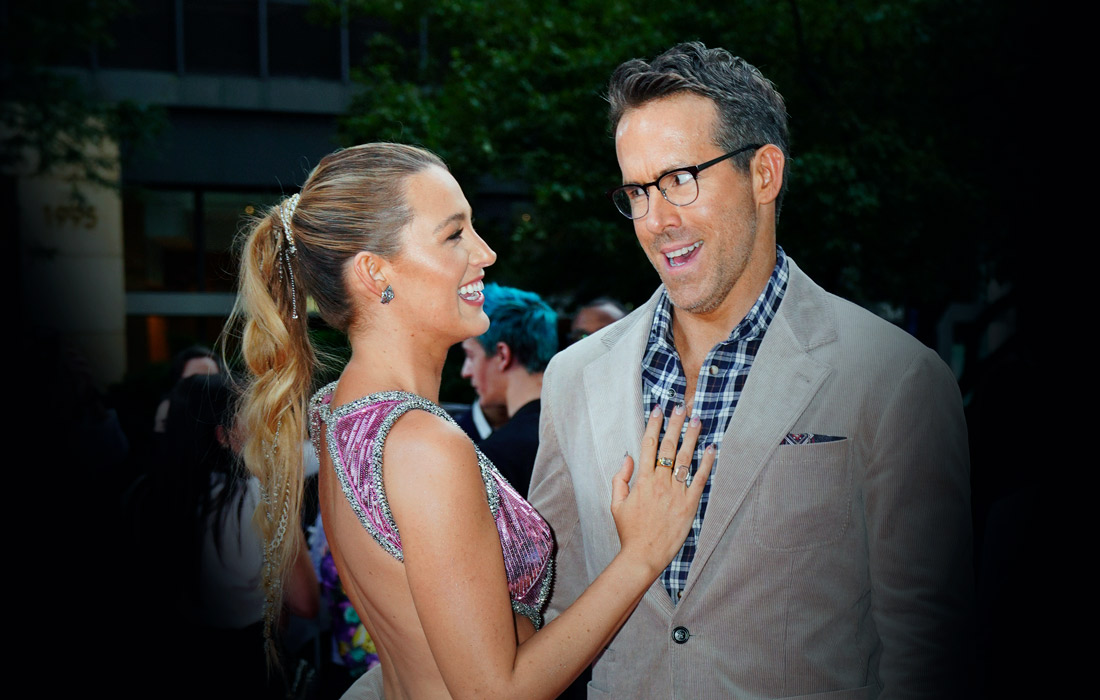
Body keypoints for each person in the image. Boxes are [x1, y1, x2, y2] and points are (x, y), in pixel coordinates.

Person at [528, 42, 974, 699]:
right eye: (638, 192)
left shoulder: (896, 377)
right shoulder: (574, 378)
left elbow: (927, 649)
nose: (657, 220)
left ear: (764, 174)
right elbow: (550, 617)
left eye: (680, 179)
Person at [228, 142, 714, 700]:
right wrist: (642, 554)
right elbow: (494, 693)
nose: (485, 252)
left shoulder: (336, 411)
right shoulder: (421, 445)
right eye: (454, 234)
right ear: (374, 272)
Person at [459, 282, 557, 493]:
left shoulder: (495, 458)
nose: (466, 372)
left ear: (503, 355)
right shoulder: (582, 430)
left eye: (471, 356)